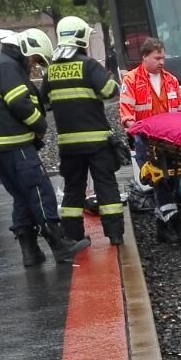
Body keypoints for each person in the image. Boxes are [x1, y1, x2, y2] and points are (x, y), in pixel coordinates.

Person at [0, 28, 87, 268]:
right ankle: (60, 245)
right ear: (27, 49)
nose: (34, 64)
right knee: (40, 190)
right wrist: (40, 125)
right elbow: (18, 101)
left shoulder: (1, 65)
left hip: (0, 144)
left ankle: (30, 251)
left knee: (22, 197)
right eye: (36, 59)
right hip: (14, 142)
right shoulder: (8, 67)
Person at [44, 16, 123, 247]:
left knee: (73, 189)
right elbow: (110, 91)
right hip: (97, 141)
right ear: (80, 37)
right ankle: (115, 235)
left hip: (68, 144)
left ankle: (73, 235)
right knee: (106, 186)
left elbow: (45, 103)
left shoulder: (51, 71)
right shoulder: (88, 65)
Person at [120, 37, 181, 240]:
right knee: (159, 181)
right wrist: (140, 136)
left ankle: (162, 228)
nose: (162, 62)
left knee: (172, 181)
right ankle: (177, 224)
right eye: (157, 58)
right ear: (144, 57)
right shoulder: (131, 81)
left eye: (163, 58)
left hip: (170, 142)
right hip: (146, 142)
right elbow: (126, 115)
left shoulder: (171, 80)